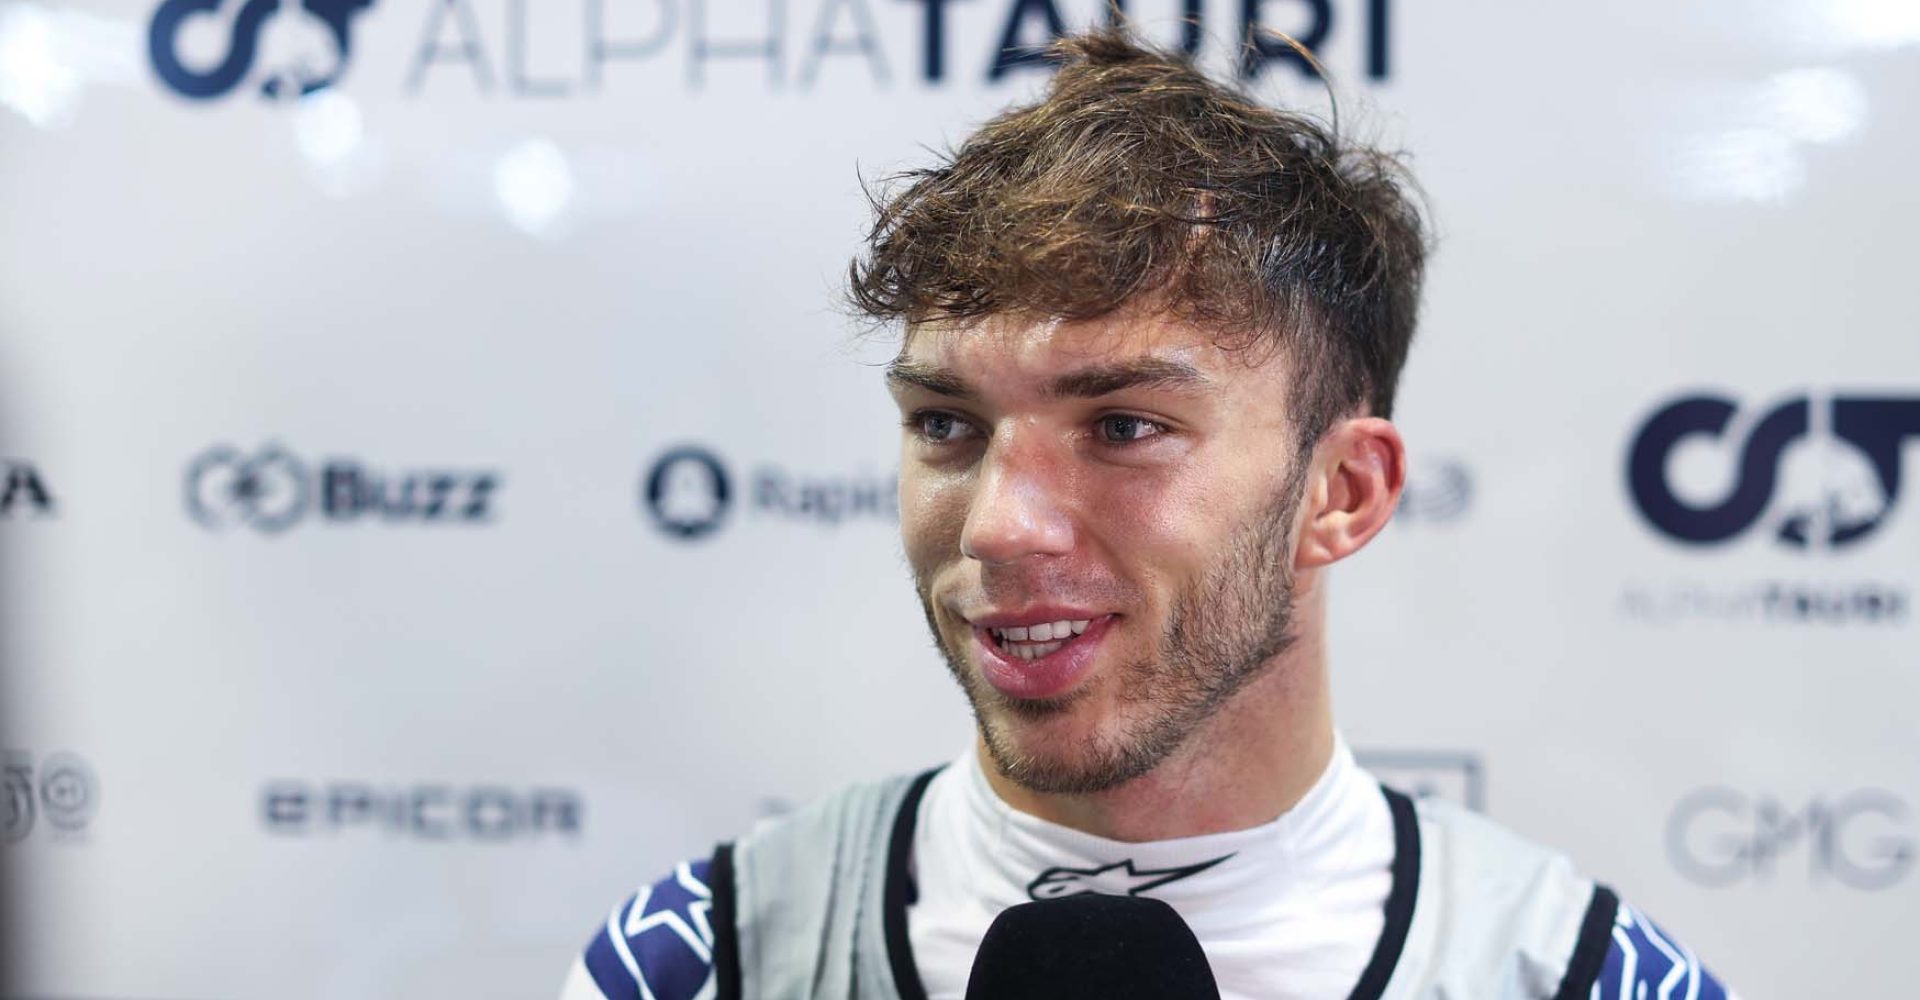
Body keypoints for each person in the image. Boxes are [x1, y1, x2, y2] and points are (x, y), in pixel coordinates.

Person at [560, 29, 1735, 1000]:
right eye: (948, 427)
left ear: (1344, 492)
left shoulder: (1577, 978)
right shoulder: (701, 963)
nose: (1000, 530)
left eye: (1124, 427)